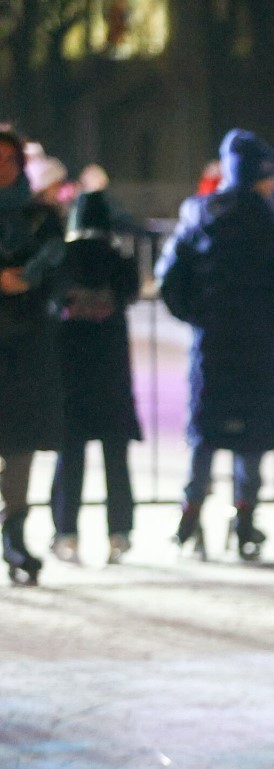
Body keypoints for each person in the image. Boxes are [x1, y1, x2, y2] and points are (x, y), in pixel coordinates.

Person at [156, 129, 274, 561]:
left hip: (213, 342)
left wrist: (195, 315)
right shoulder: (267, 222)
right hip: (257, 342)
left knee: (205, 431)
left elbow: (169, 279)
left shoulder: (200, 214)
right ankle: (245, 517)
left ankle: (190, 512)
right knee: (250, 435)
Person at [49, 190, 142, 567]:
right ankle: (119, 532)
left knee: (69, 454)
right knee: (115, 456)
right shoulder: (120, 261)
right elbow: (132, 294)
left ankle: (65, 531)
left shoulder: (61, 259)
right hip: (110, 370)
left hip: (69, 369)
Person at [0, 128, 65, 586]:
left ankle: (15, 535)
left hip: (24, 347)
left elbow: (60, 273)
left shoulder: (42, 218)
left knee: (19, 446)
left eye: (8, 161)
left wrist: (34, 276)